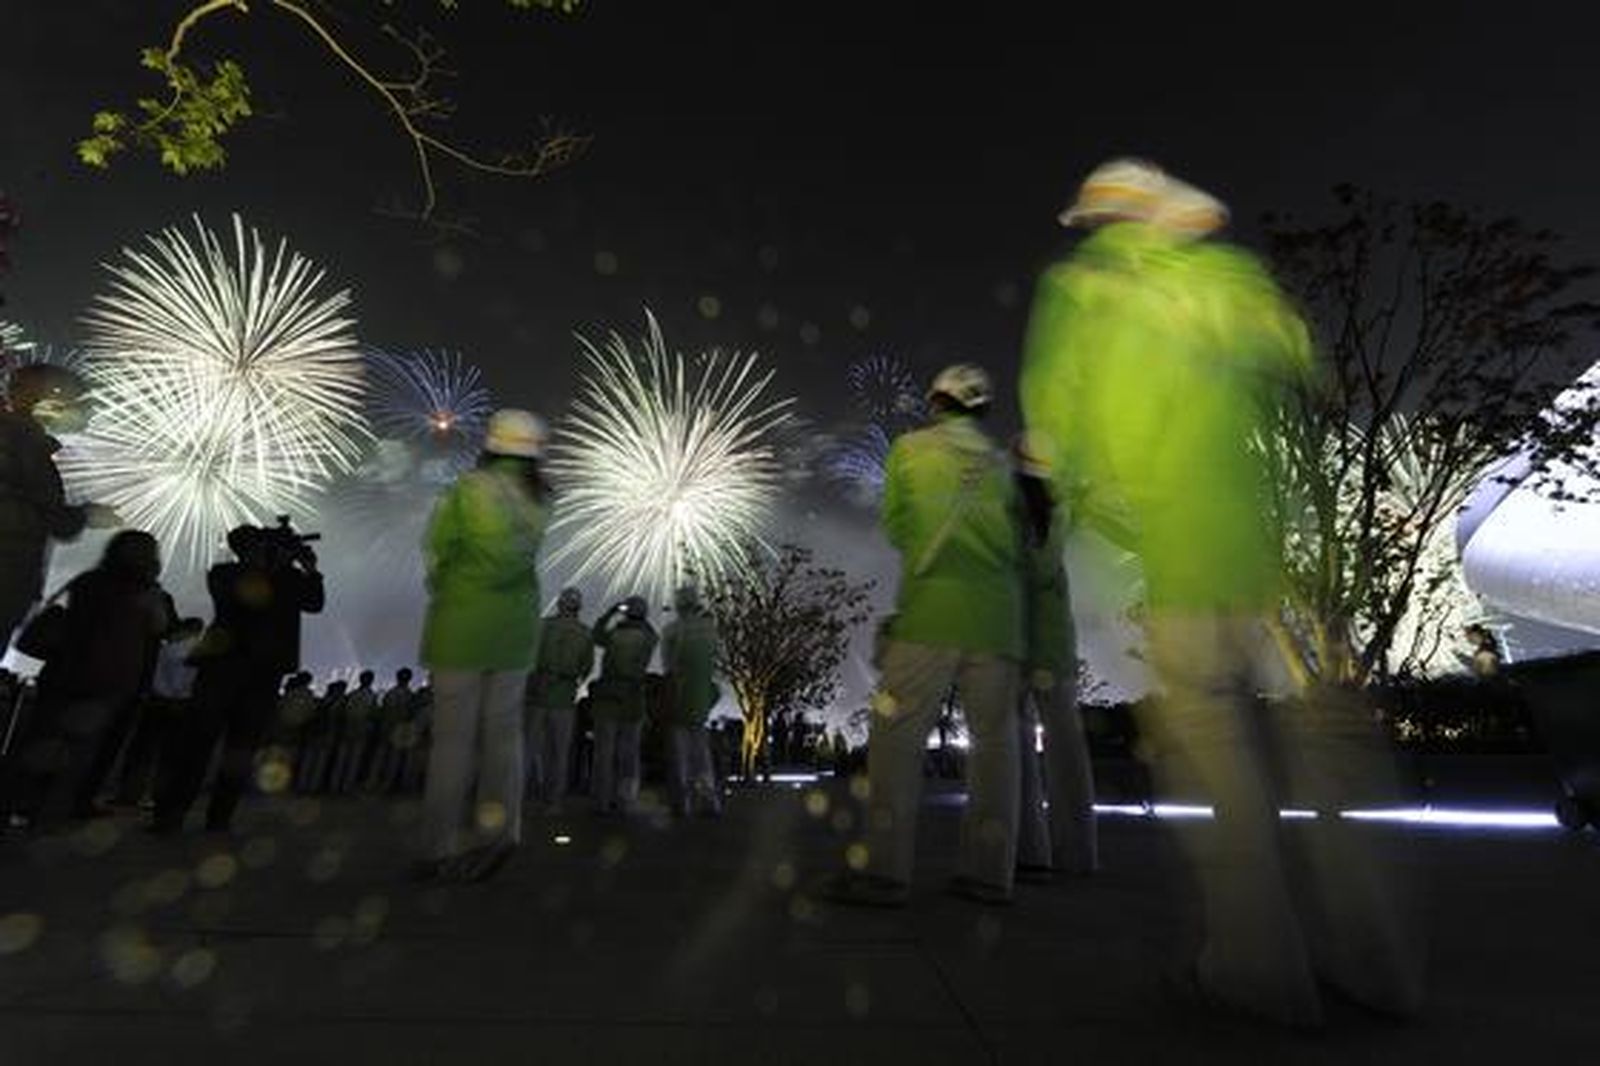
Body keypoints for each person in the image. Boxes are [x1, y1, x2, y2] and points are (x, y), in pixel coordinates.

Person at [1021, 158, 1423, 1026]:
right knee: (1323, 755)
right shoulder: (1229, 280)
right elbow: (1299, 354)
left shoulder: (1086, 295)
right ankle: (1375, 964)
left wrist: (1087, 496)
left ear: (1100, 223)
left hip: (1181, 554)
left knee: (1216, 763)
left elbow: (1055, 435)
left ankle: (1257, 971)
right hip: (1263, 551)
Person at [829, 364, 1024, 908]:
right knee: (996, 746)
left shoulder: (911, 451)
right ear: (981, 408)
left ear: (936, 401)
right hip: (999, 619)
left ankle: (886, 872)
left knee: (895, 739)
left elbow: (897, 527)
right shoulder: (1004, 465)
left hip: (932, 613)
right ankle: (991, 875)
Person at [415, 409, 549, 883]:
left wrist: (452, 588)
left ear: (491, 445)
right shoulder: (540, 499)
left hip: (461, 628)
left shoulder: (466, 491)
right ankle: (501, 832)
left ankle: (439, 845)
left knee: (453, 743)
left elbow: (437, 550)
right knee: (504, 738)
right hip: (515, 631)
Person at [153, 520, 324, 834]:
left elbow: (315, 603)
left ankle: (219, 818)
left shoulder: (286, 577)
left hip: (263, 670)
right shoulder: (225, 574)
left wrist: (310, 569)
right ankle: (171, 813)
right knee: (197, 743)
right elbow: (249, 598)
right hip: (224, 665)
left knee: (242, 748)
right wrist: (276, 568)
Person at [6, 530, 172, 825]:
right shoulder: (145, 593)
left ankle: (17, 803)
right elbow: (159, 627)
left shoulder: (88, 582)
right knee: (80, 752)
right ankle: (51, 813)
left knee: (39, 742)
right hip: (107, 681)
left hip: (63, 673)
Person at [1012, 434, 1098, 879]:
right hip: (1048, 644)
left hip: (1024, 642)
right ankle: (1075, 852)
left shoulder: (1032, 518)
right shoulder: (1053, 514)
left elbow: (1039, 572)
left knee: (1026, 750)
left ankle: (1034, 851)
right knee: (1065, 751)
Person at [0, 364, 119, 647]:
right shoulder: (20, 446)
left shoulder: (22, 443)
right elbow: (30, 514)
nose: (89, 413)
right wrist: (84, 516)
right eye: (79, 402)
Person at [114, 614, 205, 808]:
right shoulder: (197, 650)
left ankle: (129, 794)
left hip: (155, 702)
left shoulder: (165, 649)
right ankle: (157, 796)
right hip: (180, 705)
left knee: (142, 751)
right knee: (169, 756)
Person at [525, 588, 595, 813]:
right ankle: (553, 801)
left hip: (538, 695)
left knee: (528, 749)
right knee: (559, 752)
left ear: (559, 604)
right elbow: (586, 667)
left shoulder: (542, 625)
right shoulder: (585, 632)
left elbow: (529, 656)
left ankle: (519, 797)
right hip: (564, 697)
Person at [588, 596, 658, 815]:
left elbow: (595, 634)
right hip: (633, 699)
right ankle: (625, 800)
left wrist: (611, 612)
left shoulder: (614, 635)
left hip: (608, 697)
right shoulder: (648, 636)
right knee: (628, 755)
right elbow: (654, 636)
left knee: (604, 753)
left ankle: (601, 800)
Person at [661, 584, 722, 817]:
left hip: (679, 697)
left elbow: (669, 667)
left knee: (681, 756)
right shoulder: (710, 629)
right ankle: (709, 800)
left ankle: (683, 802)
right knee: (702, 754)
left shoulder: (671, 631)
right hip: (702, 698)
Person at [366, 668, 418, 794]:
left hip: (391, 730)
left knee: (384, 759)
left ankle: (377, 784)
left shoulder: (393, 694)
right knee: (389, 760)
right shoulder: (407, 695)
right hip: (394, 730)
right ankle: (382, 784)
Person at [332, 670, 378, 794]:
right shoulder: (372, 696)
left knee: (342, 760)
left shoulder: (351, 694)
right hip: (360, 732)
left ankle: (335, 786)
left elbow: (342, 712)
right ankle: (346, 787)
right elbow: (373, 714)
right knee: (353, 761)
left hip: (348, 730)